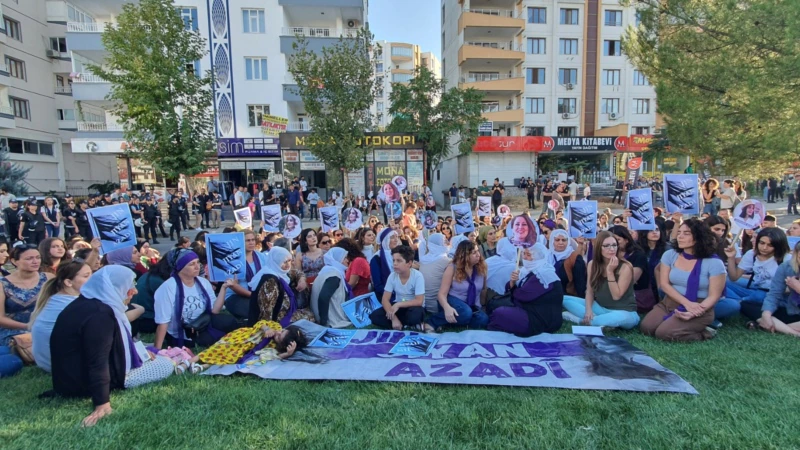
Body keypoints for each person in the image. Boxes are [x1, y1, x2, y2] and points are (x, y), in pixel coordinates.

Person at [50, 266, 174, 427]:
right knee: (165, 364)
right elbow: (97, 361)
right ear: (114, 288)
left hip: (68, 378)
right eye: (130, 286)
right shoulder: (100, 315)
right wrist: (102, 404)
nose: (134, 291)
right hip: (82, 383)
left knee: (148, 353)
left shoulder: (87, 302)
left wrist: (137, 351)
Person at [640, 219, 726, 342]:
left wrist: (695, 311)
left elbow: (714, 295)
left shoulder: (715, 263)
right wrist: (686, 303)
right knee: (646, 328)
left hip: (700, 307)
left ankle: (706, 333)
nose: (680, 236)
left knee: (663, 333)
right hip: (670, 302)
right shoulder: (670, 255)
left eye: (686, 233)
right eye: (679, 232)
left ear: (699, 236)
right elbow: (664, 284)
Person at [153, 249, 238, 348]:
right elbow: (163, 322)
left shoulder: (203, 282)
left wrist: (224, 287)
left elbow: (214, 310)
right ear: (180, 267)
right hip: (184, 332)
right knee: (214, 340)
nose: (197, 267)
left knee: (231, 323)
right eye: (191, 264)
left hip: (203, 322)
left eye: (198, 262)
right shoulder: (168, 288)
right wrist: (157, 350)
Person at [563, 231, 639, 329]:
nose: (611, 249)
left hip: (624, 312)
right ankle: (597, 320)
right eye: (606, 246)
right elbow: (590, 291)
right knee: (563, 299)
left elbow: (616, 296)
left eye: (614, 245)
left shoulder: (626, 266)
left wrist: (610, 272)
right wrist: (588, 310)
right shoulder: (592, 264)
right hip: (601, 308)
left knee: (611, 318)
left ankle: (581, 320)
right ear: (599, 248)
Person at [488, 244, 564, 337]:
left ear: (539, 257)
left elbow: (522, 296)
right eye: (524, 254)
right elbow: (512, 289)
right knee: (497, 308)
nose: (525, 257)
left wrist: (514, 288)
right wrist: (512, 282)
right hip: (529, 309)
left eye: (529, 255)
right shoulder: (527, 270)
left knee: (499, 313)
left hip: (540, 318)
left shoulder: (543, 274)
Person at [30, 261, 92, 372]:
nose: (92, 279)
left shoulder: (54, 299)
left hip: (47, 364)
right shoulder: (76, 304)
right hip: (66, 366)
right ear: (68, 282)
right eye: (86, 276)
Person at [717, 228, 788, 320]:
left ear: (778, 245)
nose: (764, 248)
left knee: (758, 296)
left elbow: (789, 289)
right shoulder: (751, 254)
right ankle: (742, 301)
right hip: (756, 287)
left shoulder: (786, 259)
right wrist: (731, 258)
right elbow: (734, 277)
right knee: (723, 281)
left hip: (776, 294)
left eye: (770, 245)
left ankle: (741, 302)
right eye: (762, 243)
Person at [425, 240, 488, 332]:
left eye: (478, 251)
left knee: (483, 320)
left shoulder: (482, 268)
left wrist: (483, 307)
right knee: (466, 312)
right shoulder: (452, 268)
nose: (478, 254)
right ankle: (432, 322)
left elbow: (483, 290)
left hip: (472, 305)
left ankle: (450, 321)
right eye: (474, 252)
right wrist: (447, 308)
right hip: (453, 301)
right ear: (465, 255)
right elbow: (441, 294)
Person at [741, 240, 800, 335]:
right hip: (793, 310)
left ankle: (782, 329)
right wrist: (766, 314)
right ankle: (792, 331)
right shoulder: (787, 267)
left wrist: (798, 288)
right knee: (748, 306)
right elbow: (774, 293)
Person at [0, 245, 53, 345]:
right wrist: (27, 326)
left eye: (38, 257)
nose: (35, 261)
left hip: (46, 326)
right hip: (14, 331)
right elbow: (0, 318)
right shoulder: (2, 284)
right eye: (29, 258)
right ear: (14, 261)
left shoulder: (49, 278)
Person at [370, 245, 425, 330]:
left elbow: (419, 301)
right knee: (375, 316)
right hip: (398, 307)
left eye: (399, 261)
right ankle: (402, 324)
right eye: (394, 260)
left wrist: (398, 304)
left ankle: (407, 323)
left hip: (412, 307)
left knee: (415, 315)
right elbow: (385, 299)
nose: (395, 263)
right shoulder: (392, 276)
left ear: (409, 263)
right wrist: (393, 318)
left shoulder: (417, 276)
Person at [223, 229, 269, 322]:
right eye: (247, 240)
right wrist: (254, 296)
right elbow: (233, 285)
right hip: (235, 296)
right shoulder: (233, 259)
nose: (251, 242)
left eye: (253, 240)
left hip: (257, 294)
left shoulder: (262, 256)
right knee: (254, 311)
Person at [310, 247, 353, 328]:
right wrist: (324, 321)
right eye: (345, 258)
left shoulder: (327, 271)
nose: (347, 260)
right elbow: (323, 297)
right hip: (331, 321)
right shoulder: (334, 276)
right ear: (338, 259)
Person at [636, 221, 668, 312]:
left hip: (662, 285)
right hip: (643, 287)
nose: (655, 232)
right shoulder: (637, 249)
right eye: (651, 230)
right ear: (644, 232)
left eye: (657, 230)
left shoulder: (668, 249)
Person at [549, 230, 587, 299]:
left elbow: (580, 284)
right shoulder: (547, 256)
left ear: (568, 241)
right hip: (550, 296)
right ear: (552, 241)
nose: (560, 242)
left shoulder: (575, 258)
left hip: (569, 297)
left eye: (564, 240)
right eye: (557, 240)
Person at [418, 233, 451, 314]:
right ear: (438, 244)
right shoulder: (446, 261)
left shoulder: (424, 259)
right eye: (444, 241)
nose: (447, 242)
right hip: (438, 306)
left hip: (424, 304)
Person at [370, 228, 400, 300]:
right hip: (386, 297)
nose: (396, 240)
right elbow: (378, 285)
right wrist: (393, 293)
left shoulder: (400, 255)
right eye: (392, 237)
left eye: (397, 237)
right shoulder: (377, 258)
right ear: (386, 240)